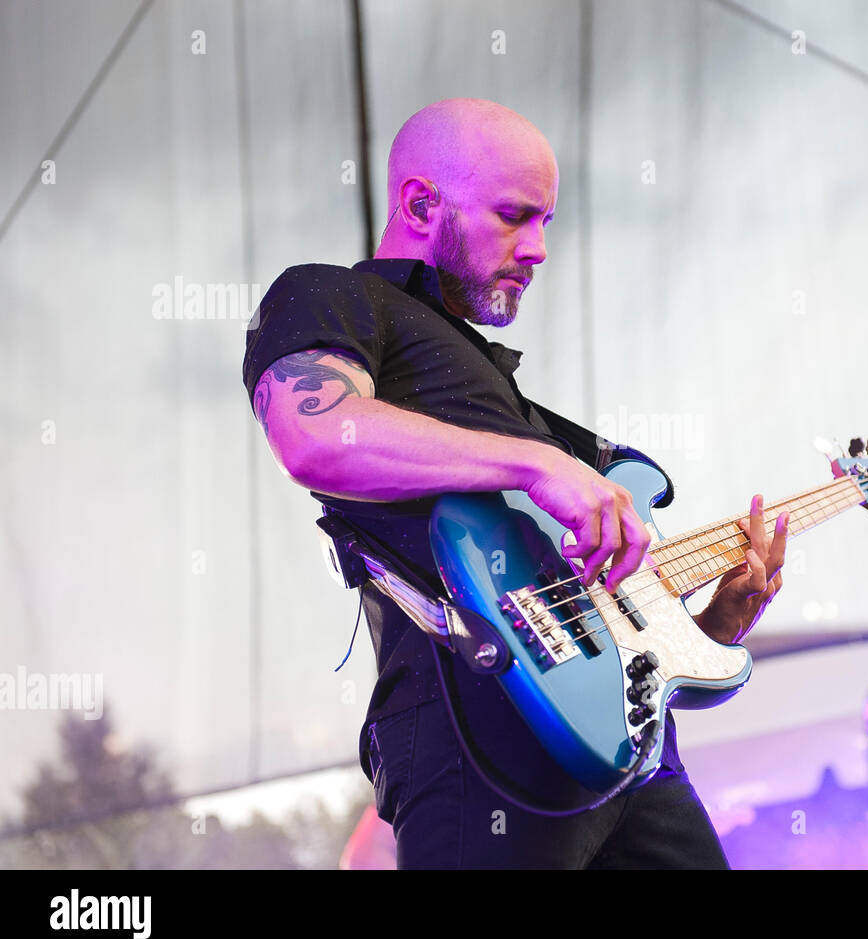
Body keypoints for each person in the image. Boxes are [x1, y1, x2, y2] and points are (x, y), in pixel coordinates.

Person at [242, 98, 788, 868]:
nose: (536, 249)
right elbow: (316, 432)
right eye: (513, 216)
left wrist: (708, 629)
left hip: (624, 746)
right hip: (476, 724)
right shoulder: (332, 294)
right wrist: (540, 464)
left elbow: (597, 596)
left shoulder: (512, 405)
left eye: (546, 223)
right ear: (422, 203)